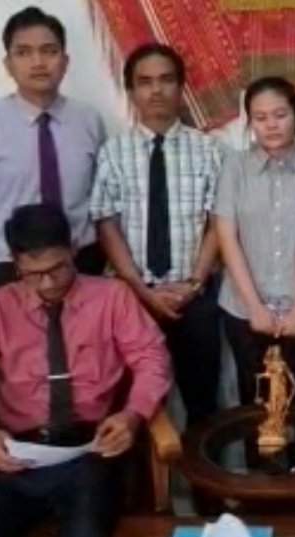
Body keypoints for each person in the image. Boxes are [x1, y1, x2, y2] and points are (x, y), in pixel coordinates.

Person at [0, 204, 171, 537]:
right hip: (17, 460)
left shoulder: (112, 297)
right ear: (15, 264)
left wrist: (134, 414)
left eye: (58, 267)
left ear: (73, 249)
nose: (49, 282)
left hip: (93, 455)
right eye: (33, 274)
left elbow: (152, 358)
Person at [90, 43, 221, 428]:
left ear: (181, 87)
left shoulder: (209, 150)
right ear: (131, 91)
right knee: (132, 406)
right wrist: (139, 288)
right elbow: (106, 223)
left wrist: (193, 284)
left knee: (203, 404)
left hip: (193, 296)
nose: (156, 90)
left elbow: (218, 224)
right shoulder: (113, 152)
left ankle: (199, 471)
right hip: (131, 298)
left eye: (166, 80)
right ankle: (142, 473)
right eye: (145, 82)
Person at [0, 6, 107, 292]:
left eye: (49, 51)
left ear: (65, 61)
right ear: (8, 64)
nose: (38, 62)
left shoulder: (88, 120)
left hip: (82, 262)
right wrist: (8, 251)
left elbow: (102, 198)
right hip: (11, 267)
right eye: (23, 52)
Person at [214, 76, 295, 407]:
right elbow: (227, 238)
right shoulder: (234, 168)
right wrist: (254, 308)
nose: (271, 125)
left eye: (280, 114)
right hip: (243, 310)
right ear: (250, 122)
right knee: (255, 404)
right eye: (261, 117)